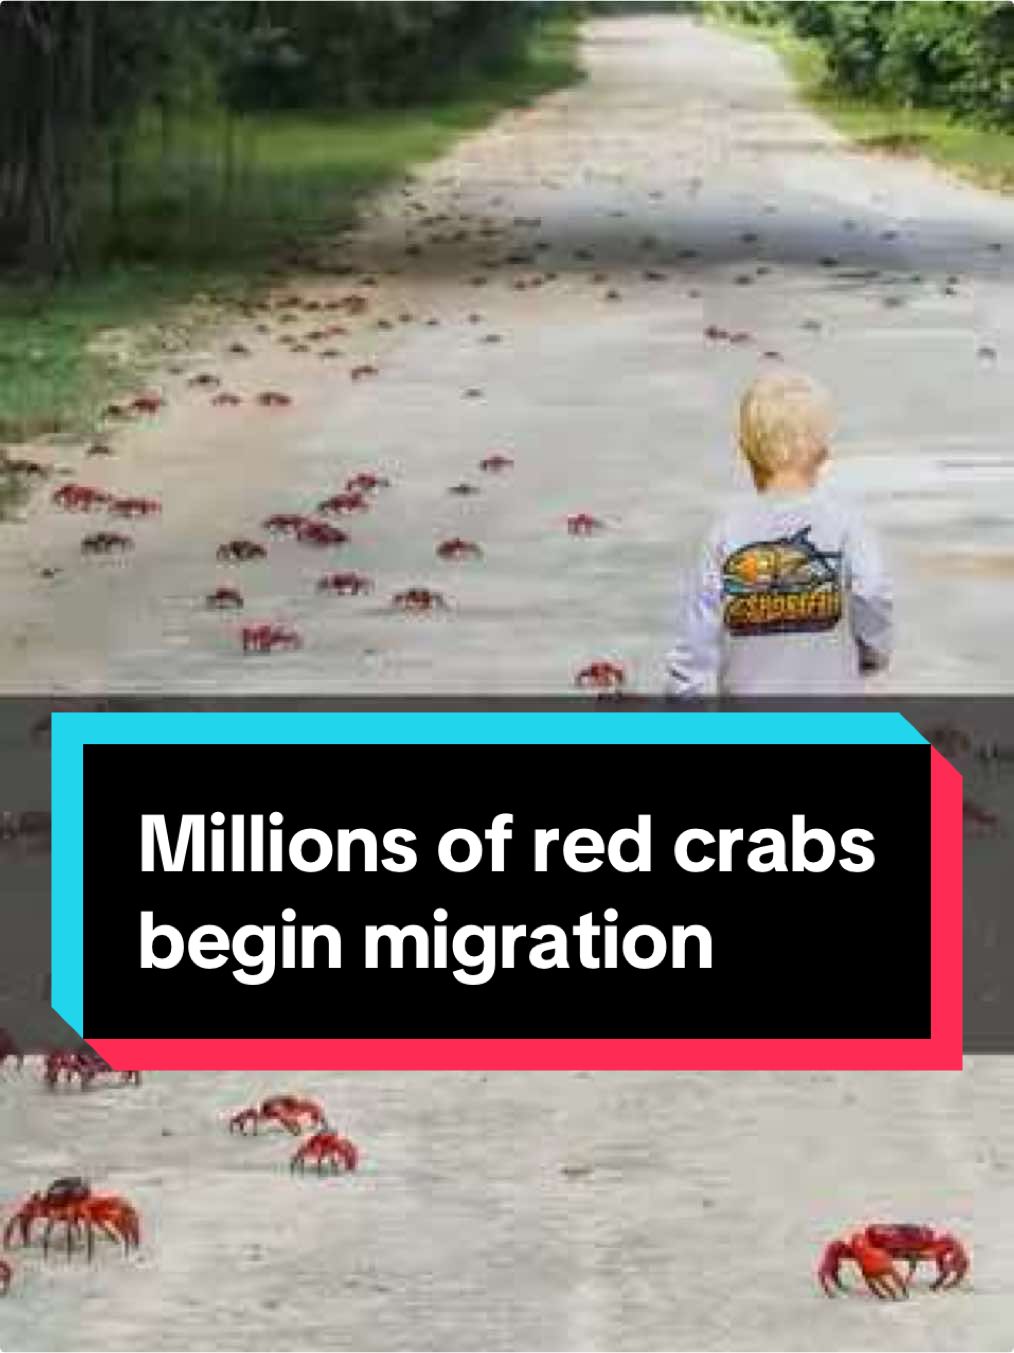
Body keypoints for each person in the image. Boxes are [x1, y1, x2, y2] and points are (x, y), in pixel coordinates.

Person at [665, 369, 892, 697]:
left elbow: (694, 654)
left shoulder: (724, 536)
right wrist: (872, 655)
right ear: (823, 453)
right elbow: (872, 595)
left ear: (746, 450)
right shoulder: (847, 527)